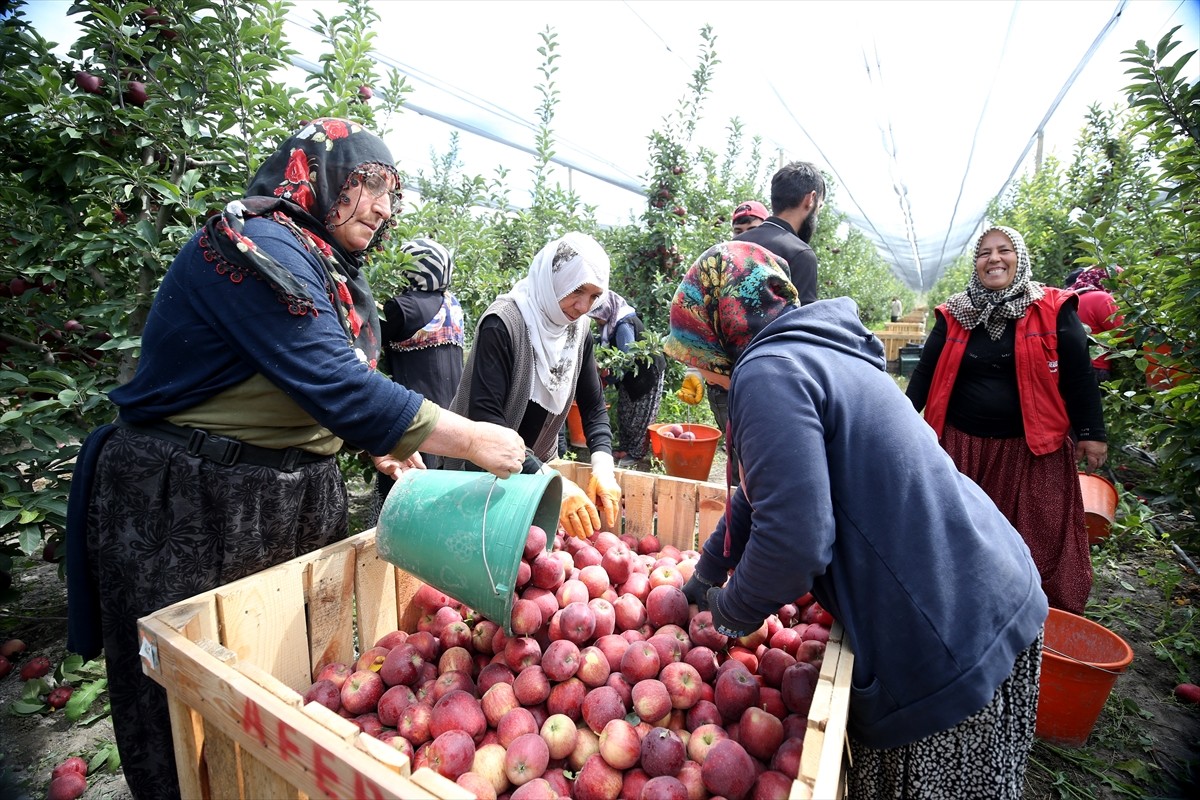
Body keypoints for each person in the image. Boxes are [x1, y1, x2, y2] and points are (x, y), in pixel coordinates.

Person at [64, 119, 527, 800]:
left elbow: (309, 377)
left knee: (282, 688)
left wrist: (374, 440)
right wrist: (477, 439)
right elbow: (334, 382)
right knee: (189, 700)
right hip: (191, 496)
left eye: (392, 193)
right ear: (318, 175)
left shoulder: (324, 266)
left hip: (279, 497)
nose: (381, 207)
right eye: (368, 184)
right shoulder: (253, 245)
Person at [667, 241, 1048, 800]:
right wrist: (707, 572)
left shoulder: (767, 371)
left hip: (947, 632)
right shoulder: (817, 350)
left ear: (720, 326)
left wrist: (729, 610)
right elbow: (762, 494)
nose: (703, 372)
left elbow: (795, 540)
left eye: (697, 352)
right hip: (985, 582)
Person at [905, 225, 1107, 615]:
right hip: (964, 449)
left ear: (1020, 257)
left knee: (1038, 538)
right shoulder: (956, 313)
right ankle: (966, 611)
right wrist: (895, 425)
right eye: (984, 253)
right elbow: (924, 376)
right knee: (962, 537)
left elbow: (1080, 376)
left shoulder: (1051, 308)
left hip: (1031, 451)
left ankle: (1037, 617)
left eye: (1003, 250)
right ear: (975, 263)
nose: (993, 259)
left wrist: (1091, 433)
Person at [445, 232, 622, 540]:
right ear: (554, 278)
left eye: (595, 296)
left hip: (530, 471)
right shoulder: (503, 323)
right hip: (479, 471)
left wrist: (604, 467)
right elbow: (487, 420)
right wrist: (547, 479)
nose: (583, 306)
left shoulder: (577, 332)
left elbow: (593, 408)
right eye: (578, 290)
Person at [375, 237, 465, 506]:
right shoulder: (453, 304)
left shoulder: (400, 308)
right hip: (453, 418)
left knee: (403, 501)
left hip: (412, 421)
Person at [587, 289, 666, 467]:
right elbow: (606, 345)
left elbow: (626, 359)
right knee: (626, 411)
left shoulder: (623, 325)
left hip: (645, 374)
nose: (597, 321)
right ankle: (625, 448)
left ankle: (636, 453)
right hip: (630, 375)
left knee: (640, 414)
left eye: (597, 317)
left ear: (606, 310)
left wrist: (608, 378)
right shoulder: (610, 324)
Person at [733, 161, 825, 304]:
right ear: (810, 199)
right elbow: (801, 322)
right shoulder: (800, 254)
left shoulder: (731, 247)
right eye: (819, 206)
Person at [1071, 265, 1124, 383]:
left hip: (1068, 365)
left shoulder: (1072, 296)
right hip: (1095, 366)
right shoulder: (1101, 298)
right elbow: (1122, 333)